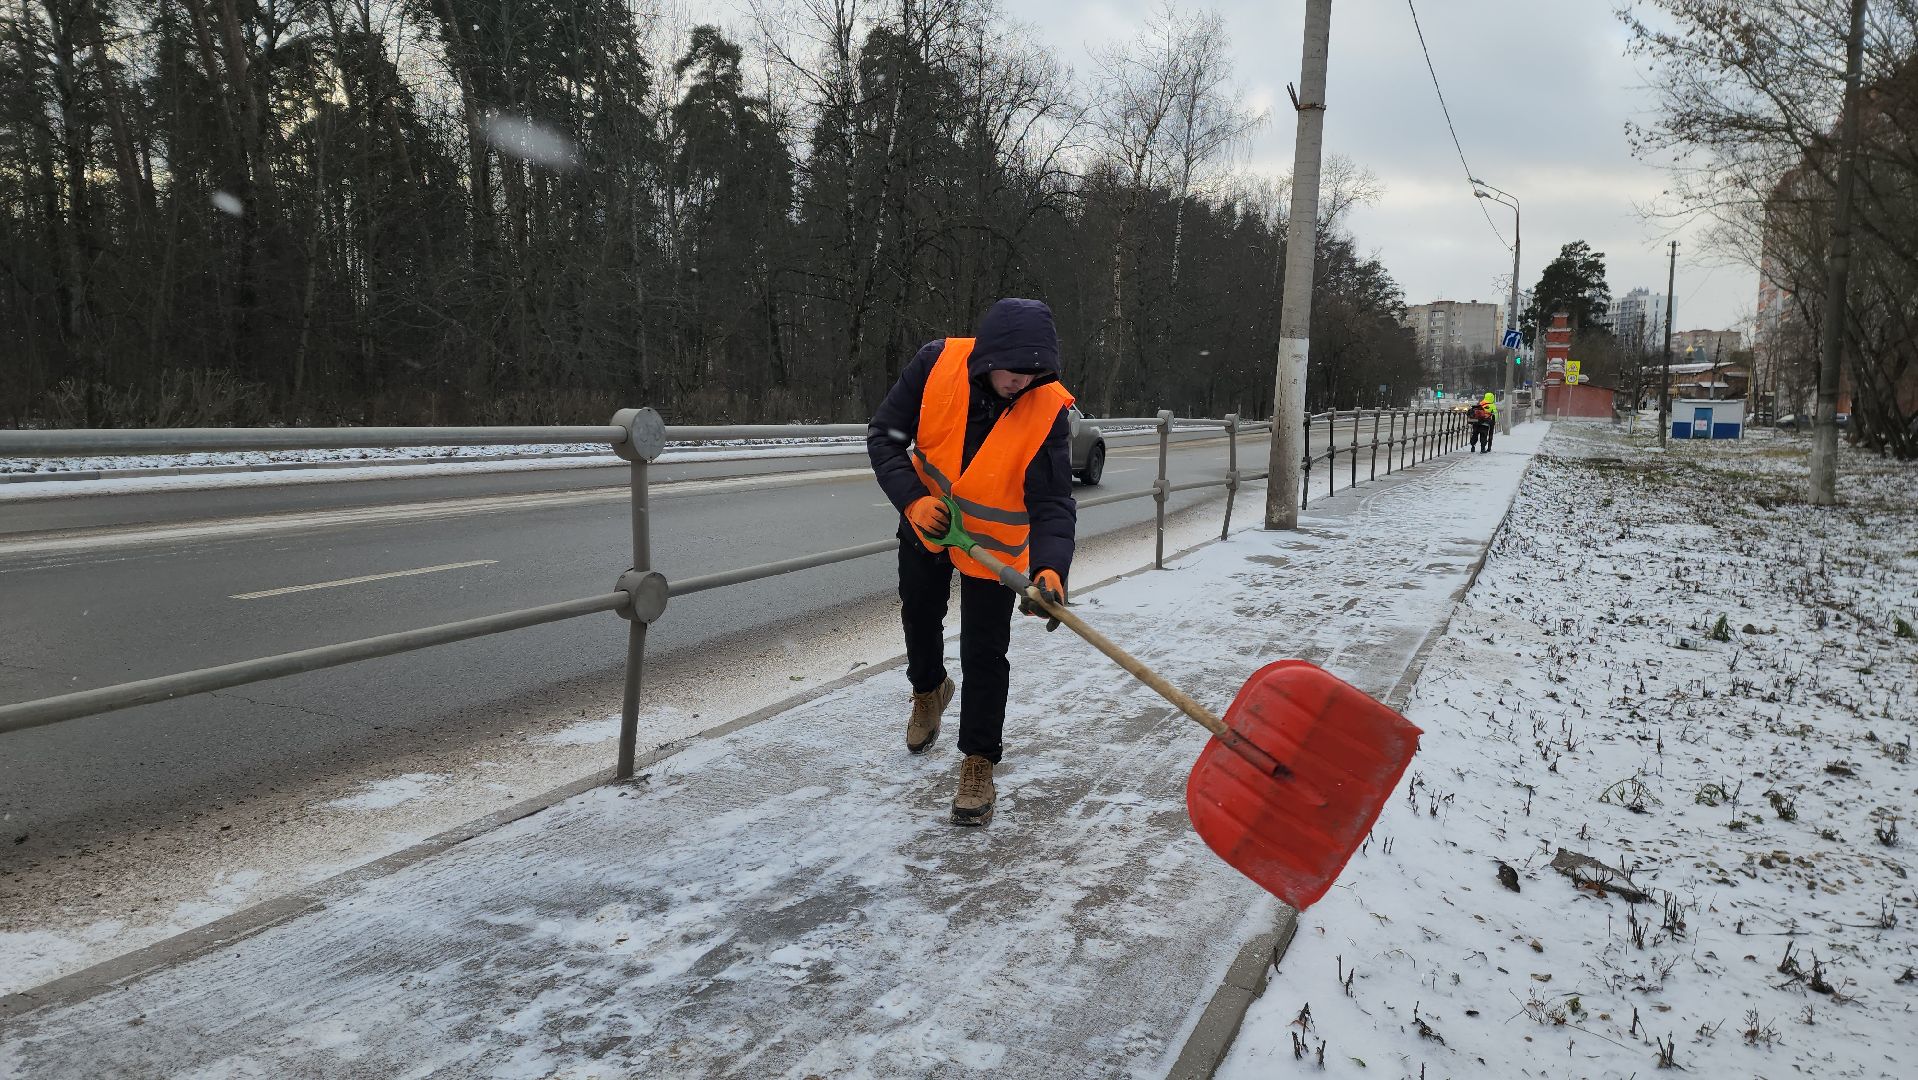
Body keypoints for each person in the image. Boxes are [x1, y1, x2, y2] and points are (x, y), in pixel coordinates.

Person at [867, 298, 1077, 827]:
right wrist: (914, 499)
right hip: (928, 521)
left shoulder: (1048, 409)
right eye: (1015, 370)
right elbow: (885, 436)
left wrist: (1050, 569)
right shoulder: (936, 363)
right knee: (919, 615)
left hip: (994, 550)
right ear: (989, 357)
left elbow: (1053, 501)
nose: (1022, 382)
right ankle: (928, 689)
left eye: (1035, 373)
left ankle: (979, 760)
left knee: (984, 653)